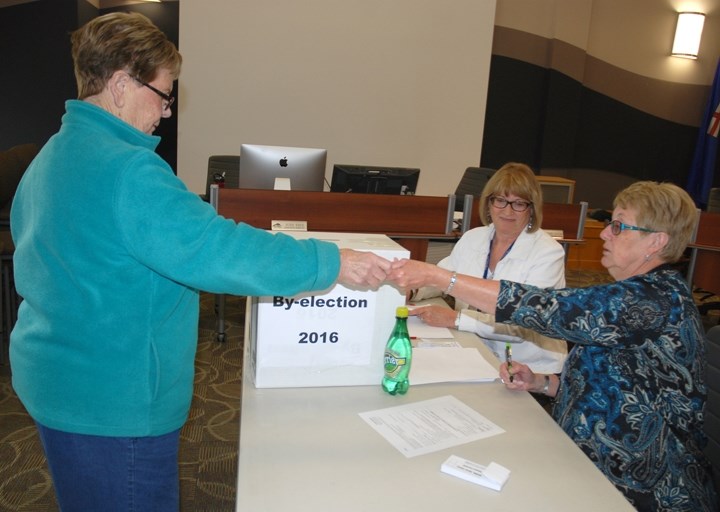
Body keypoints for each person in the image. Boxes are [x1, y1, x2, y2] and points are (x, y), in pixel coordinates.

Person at [9, 12, 390, 512]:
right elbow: (217, 250)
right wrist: (331, 262)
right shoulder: (127, 169)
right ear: (122, 85)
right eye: (163, 95)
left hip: (59, 382)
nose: (166, 113)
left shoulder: (50, 156)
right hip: (114, 402)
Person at [388, 181, 719, 511]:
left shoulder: (653, 301)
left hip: (642, 488)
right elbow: (617, 388)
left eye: (618, 226)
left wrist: (440, 277)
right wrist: (544, 383)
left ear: (656, 242)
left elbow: (546, 307)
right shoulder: (637, 293)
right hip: (584, 462)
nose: (604, 234)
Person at [410, 162, 567, 377]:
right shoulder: (473, 237)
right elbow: (444, 277)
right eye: (500, 200)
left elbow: (522, 325)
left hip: (530, 371)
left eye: (518, 203)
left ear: (532, 209)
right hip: (476, 354)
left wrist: (455, 318)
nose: (507, 211)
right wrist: (414, 291)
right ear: (488, 203)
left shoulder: (548, 253)